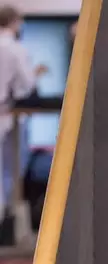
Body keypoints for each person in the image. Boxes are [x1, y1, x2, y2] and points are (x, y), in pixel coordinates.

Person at [0, 5, 48, 222]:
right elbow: (26, 85)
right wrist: (36, 74)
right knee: (10, 171)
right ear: (15, 21)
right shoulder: (16, 49)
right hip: (8, 115)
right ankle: (6, 222)